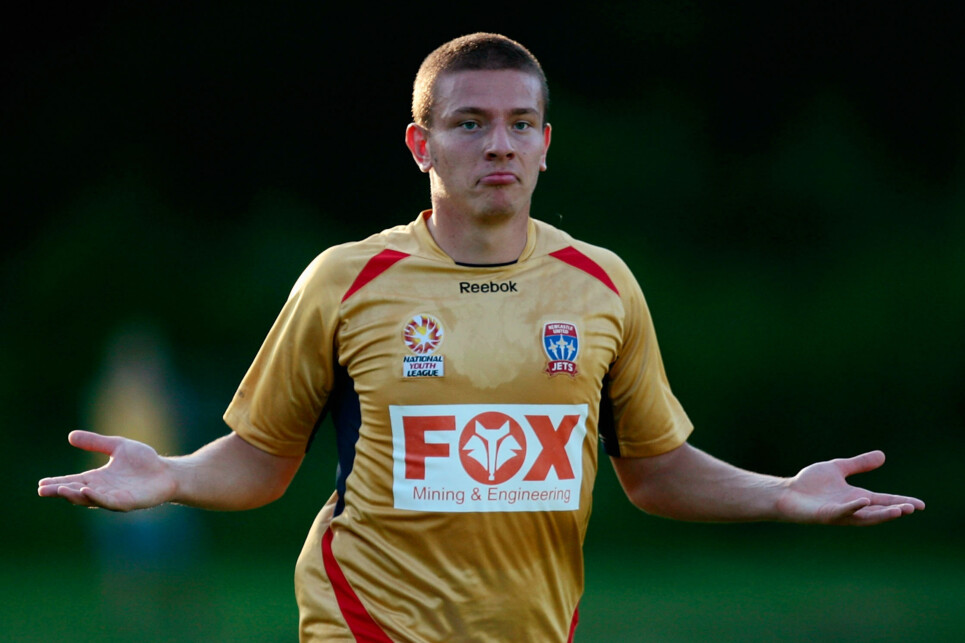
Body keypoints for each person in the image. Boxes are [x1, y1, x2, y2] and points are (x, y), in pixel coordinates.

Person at [39, 33, 924, 642]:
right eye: (469, 123)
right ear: (421, 144)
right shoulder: (347, 280)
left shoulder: (602, 284)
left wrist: (778, 493)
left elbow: (652, 470)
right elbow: (262, 460)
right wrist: (173, 476)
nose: (497, 144)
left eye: (519, 124)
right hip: (365, 621)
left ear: (545, 144)